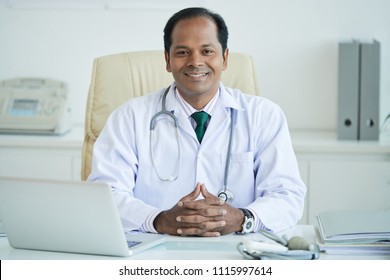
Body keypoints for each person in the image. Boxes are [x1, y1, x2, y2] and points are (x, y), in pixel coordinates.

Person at [88, 7, 306, 237]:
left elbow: (287, 196)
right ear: (167, 60)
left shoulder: (263, 115)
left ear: (224, 58)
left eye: (207, 51)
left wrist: (242, 218)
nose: (195, 61)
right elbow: (104, 195)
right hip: (154, 251)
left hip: (238, 252)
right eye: (182, 52)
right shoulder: (129, 117)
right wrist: (157, 220)